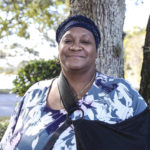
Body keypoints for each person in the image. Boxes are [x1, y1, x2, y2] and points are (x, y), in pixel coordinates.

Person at [0, 15, 147, 150]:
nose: (76, 47)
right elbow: (8, 143)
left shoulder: (121, 93)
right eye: (68, 40)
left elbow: (144, 139)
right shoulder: (35, 93)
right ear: (58, 49)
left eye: (85, 41)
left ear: (96, 52)